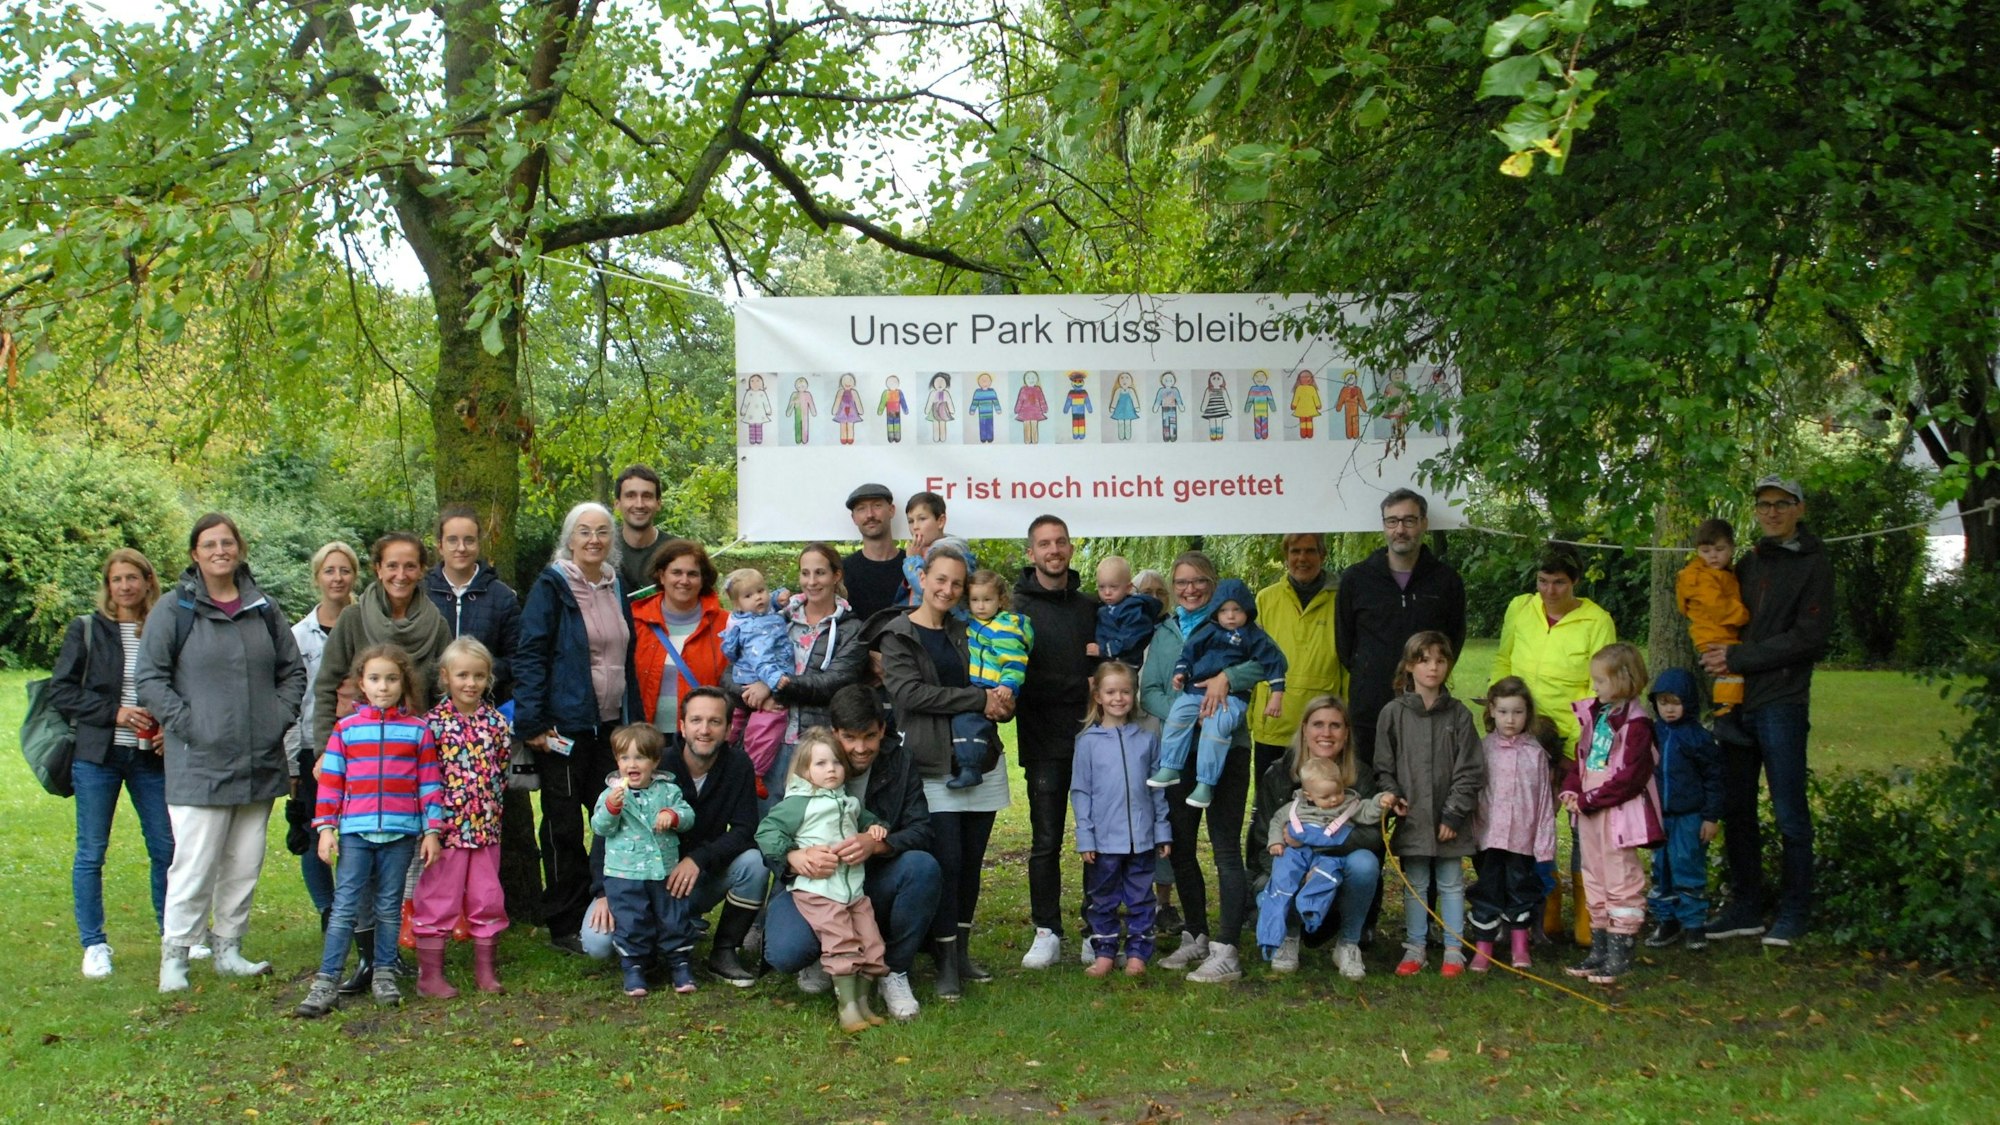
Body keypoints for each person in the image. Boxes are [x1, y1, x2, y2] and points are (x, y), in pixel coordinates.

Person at [136, 513, 306, 992]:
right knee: (195, 861)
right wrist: (189, 725)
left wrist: (278, 717)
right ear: (195, 553)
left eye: (227, 542)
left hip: (259, 758)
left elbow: (293, 672)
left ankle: (229, 947)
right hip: (199, 760)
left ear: (239, 548)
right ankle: (176, 956)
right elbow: (150, 678)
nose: (219, 551)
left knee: (244, 861)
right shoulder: (175, 609)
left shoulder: (263, 608)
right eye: (209, 544)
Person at [310, 531, 455, 994]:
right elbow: (327, 685)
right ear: (377, 569)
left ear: (421, 571)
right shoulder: (354, 619)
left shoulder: (436, 623)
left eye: (410, 566)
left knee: (397, 880)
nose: (400, 574)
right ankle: (364, 961)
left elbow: (440, 691)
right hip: (355, 755)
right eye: (391, 565)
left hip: (411, 756)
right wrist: (321, 752)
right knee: (355, 886)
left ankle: (388, 963)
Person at [1702, 476, 1834, 948]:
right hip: (1735, 700)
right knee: (1737, 808)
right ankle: (1745, 907)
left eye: (1783, 504)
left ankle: (1795, 910)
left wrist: (1737, 658)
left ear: (1799, 508)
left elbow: (1808, 637)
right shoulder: (1750, 562)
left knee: (1789, 812)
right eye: (1764, 504)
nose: (1773, 511)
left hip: (1781, 701)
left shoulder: (1814, 564)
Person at [761, 685, 940, 1021]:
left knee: (923, 866)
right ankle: (824, 956)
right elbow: (768, 834)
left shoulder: (899, 761)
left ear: (882, 730)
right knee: (785, 953)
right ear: (834, 733)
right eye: (850, 738)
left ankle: (894, 972)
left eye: (869, 737)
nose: (860, 749)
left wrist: (878, 844)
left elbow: (921, 829)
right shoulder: (807, 761)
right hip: (814, 886)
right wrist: (793, 859)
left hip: (870, 881)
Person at [872, 547, 1003, 999]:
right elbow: (909, 695)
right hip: (932, 765)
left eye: (957, 583)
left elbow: (995, 674)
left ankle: (962, 952)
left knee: (971, 864)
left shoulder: (971, 630)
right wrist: (976, 700)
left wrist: (1003, 696)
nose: (948, 590)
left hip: (981, 758)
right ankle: (943, 958)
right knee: (946, 862)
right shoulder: (898, 634)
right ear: (922, 578)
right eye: (940, 580)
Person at [514, 501, 644, 954]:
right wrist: (531, 722)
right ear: (569, 539)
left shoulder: (615, 586)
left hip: (609, 728)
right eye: (584, 531)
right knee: (564, 826)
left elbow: (626, 658)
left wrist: (634, 724)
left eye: (603, 532)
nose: (594, 540)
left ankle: (611, 908)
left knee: (616, 817)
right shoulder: (552, 587)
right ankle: (564, 922)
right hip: (563, 728)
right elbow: (529, 653)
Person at [577, 688, 768, 987]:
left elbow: (745, 830)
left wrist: (698, 859)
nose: (704, 730)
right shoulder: (651, 762)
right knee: (597, 944)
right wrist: (602, 892)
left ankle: (724, 951)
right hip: (636, 879)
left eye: (715, 722)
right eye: (696, 720)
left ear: (729, 729)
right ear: (682, 725)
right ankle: (650, 948)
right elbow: (605, 831)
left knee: (755, 863)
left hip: (695, 878)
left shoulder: (738, 765)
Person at [294, 643, 444, 1017]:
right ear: (361, 683)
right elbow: (331, 783)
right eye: (375, 679)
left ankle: (385, 972)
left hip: (401, 832)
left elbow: (429, 784)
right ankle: (326, 980)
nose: (383, 687)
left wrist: (431, 830)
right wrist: (326, 828)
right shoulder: (345, 730)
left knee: (389, 908)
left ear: (403, 683)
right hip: (356, 833)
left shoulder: (418, 731)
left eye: (392, 679)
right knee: (345, 906)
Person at [49, 548, 173, 980]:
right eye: (117, 579)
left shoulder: (162, 627)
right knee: (91, 852)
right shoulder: (87, 629)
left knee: (166, 847)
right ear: (108, 585)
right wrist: (115, 712)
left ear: (147, 581)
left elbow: (178, 688)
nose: (125, 586)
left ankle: (173, 934)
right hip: (97, 755)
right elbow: (61, 691)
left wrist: (168, 730)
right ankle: (94, 944)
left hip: (148, 757)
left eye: (132, 578)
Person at [1141, 551, 1263, 983]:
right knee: (1183, 846)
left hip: (1227, 749)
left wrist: (1227, 681)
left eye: (1199, 582)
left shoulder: (1237, 626)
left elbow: (1262, 666)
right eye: (1182, 583)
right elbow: (1150, 691)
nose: (1190, 589)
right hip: (1178, 756)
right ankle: (1195, 934)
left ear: (1213, 584)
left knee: (1226, 848)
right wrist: (1184, 711)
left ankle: (1227, 948)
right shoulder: (1164, 634)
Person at [1011, 515, 1101, 969]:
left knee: (1098, 837)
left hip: (1095, 740)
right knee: (1046, 839)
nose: (1053, 550)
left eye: (1060, 541)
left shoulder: (1091, 607)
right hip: (1043, 740)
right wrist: (1078, 686)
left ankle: (1095, 927)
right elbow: (1020, 680)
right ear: (1031, 553)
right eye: (1044, 543)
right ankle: (1046, 929)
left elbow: (1108, 672)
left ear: (1070, 547)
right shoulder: (1015, 609)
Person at [758, 729, 891, 1031]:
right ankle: (847, 1009)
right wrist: (793, 854)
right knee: (841, 941)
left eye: (836, 763)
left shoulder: (848, 802)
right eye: (820, 764)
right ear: (805, 771)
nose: (830, 769)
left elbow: (867, 821)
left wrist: (876, 830)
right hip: (819, 891)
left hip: (852, 890)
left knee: (870, 941)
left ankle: (863, 1004)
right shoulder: (799, 803)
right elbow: (767, 832)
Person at [1245, 695, 1383, 979]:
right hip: (1286, 865)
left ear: (1346, 734)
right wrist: (1296, 867)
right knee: (1282, 873)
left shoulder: (1360, 776)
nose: (1326, 733)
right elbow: (1260, 843)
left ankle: (1348, 943)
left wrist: (1319, 857)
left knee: (1365, 862)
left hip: (1336, 867)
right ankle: (1288, 937)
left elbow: (1372, 838)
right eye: (1318, 724)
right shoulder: (1279, 775)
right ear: (1305, 730)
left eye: (1335, 725)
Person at [1374, 631, 1484, 979]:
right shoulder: (1393, 713)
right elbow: (1383, 766)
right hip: (1413, 815)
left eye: (1440, 660)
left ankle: (1454, 950)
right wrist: (1393, 796)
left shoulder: (1460, 715)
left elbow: (1470, 769)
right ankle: (1415, 947)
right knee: (1416, 882)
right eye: (1424, 660)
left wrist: (1454, 812)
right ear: (1409, 666)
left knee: (1451, 880)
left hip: (1450, 817)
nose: (1433, 667)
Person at [1336, 490, 1467, 773]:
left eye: (1409, 521)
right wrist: (1370, 669)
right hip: (1370, 707)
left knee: (1422, 790)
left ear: (1424, 524)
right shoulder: (1357, 579)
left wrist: (1427, 674)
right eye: (1392, 521)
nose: (1400, 530)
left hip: (1427, 707)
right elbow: (1345, 644)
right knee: (1368, 795)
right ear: (1383, 526)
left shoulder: (1446, 581)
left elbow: (1454, 640)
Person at [411, 637, 512, 997]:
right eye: (463, 675)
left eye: (479, 676)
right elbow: (423, 779)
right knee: (438, 898)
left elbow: (501, 770)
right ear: (445, 677)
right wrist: (430, 829)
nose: (471, 683)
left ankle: (485, 970)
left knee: (487, 897)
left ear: (489, 679)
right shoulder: (431, 726)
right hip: (445, 832)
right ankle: (430, 976)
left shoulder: (497, 724)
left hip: (485, 830)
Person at [1560, 643, 1662, 985]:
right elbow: (1581, 757)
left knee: (1620, 876)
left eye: (1600, 681)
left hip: (1616, 812)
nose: (1595, 688)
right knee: (1593, 874)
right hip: (1589, 809)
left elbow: (1631, 777)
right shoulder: (1596, 715)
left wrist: (1590, 799)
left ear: (1623, 680)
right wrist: (1572, 788)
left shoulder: (1637, 725)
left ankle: (1620, 953)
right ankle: (1599, 949)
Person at [1149, 578, 1288, 809]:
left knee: (1217, 726)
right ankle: (1170, 765)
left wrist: (1276, 694)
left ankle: (1205, 783)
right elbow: (1189, 653)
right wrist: (1181, 673)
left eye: (1237, 610)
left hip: (1231, 697)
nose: (1230, 616)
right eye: (1224, 610)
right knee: (1178, 713)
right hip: (1195, 691)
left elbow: (1274, 662)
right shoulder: (1208, 630)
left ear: (1247, 610)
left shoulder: (1254, 635)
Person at [1070, 662, 1169, 977]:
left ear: (1134, 694)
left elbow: (1157, 790)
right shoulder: (1087, 742)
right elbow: (1081, 792)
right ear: (1098, 696)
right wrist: (1085, 837)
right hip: (1103, 841)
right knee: (1103, 899)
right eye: (1111, 692)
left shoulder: (1147, 738)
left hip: (1141, 837)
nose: (1118, 698)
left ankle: (1138, 953)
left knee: (1141, 898)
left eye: (1125, 691)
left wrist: (1162, 832)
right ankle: (1105, 953)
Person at [1250, 533, 1345, 858]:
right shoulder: (1266, 599)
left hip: (1323, 729)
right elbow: (1251, 658)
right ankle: (1261, 884)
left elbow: (1346, 664)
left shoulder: (1341, 599)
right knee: (1268, 812)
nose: (1301, 558)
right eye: (1294, 551)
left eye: (1309, 551)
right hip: (1273, 723)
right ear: (1285, 555)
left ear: (1322, 555)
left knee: (1321, 809)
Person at [748, 544, 867, 799]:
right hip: (770, 742)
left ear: (836, 576)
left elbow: (834, 683)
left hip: (820, 747)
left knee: (818, 830)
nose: (811, 581)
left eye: (820, 573)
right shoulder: (778, 620)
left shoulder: (852, 628)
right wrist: (746, 692)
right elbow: (740, 667)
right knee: (769, 829)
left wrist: (774, 686)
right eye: (805, 573)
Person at [592, 723, 697, 997]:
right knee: (631, 920)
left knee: (672, 918)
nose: (631, 764)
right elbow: (600, 828)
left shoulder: (668, 790)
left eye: (640, 757)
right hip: (623, 874)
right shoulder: (610, 794)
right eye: (624, 758)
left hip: (663, 871)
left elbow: (687, 817)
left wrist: (673, 816)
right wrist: (611, 809)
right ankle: (634, 966)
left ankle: (680, 964)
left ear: (655, 761)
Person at [285, 541, 358, 922]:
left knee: (361, 835)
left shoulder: (367, 625)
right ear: (317, 578)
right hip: (317, 746)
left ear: (355, 576)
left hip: (365, 746)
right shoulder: (299, 635)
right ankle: (328, 910)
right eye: (329, 570)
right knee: (317, 831)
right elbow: (294, 702)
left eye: (344, 570)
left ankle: (358, 909)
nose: (337, 578)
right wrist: (295, 761)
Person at [1255, 756, 1384, 966]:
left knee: (1323, 878)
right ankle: (1283, 937)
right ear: (1309, 795)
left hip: (1329, 857)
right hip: (1297, 856)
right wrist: (1276, 842)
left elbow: (1368, 812)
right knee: (1283, 877)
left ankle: (1316, 918)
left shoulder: (1348, 805)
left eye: (1338, 792)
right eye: (1327, 796)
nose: (1334, 800)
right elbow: (1277, 821)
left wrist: (1380, 802)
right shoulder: (1295, 808)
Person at [1465, 677, 1557, 972]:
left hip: (1522, 839)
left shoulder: (1536, 753)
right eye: (1503, 711)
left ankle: (1520, 946)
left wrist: (1544, 845)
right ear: (1491, 710)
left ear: (1527, 713)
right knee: (1488, 890)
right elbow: (1473, 794)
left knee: (1521, 889)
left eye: (1517, 712)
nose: (1510, 719)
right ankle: (1484, 948)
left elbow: (1544, 800)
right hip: (1488, 837)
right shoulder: (1483, 750)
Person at [1490, 545, 1617, 755]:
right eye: (1543, 581)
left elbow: (1599, 688)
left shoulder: (1598, 622)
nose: (1549, 591)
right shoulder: (1520, 607)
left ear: (1575, 581)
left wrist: (1574, 747)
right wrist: (1497, 708)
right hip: (1517, 731)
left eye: (1559, 582)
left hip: (1565, 738)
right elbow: (1504, 660)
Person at [1644, 667, 1725, 951]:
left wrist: (1710, 817)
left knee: (1688, 868)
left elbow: (1715, 778)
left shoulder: (1698, 738)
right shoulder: (1652, 734)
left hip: (1689, 817)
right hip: (1659, 817)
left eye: (1675, 702)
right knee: (1660, 870)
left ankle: (1694, 924)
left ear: (1688, 702)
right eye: (1663, 702)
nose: (1668, 709)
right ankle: (1666, 921)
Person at [631, 539, 729, 736]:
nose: (684, 580)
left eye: (692, 574)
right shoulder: (636, 621)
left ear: (703, 580)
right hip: (646, 738)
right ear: (661, 576)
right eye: (676, 572)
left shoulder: (726, 625)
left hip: (702, 737)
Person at [426, 505, 521, 702]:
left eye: (469, 540)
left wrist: (477, 672)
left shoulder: (502, 597)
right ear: (440, 545)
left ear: (478, 544)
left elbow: (517, 659)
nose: (461, 548)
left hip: (486, 710)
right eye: (452, 540)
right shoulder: (422, 593)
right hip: (429, 708)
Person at [950, 569, 1032, 790]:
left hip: (994, 687)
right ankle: (967, 766)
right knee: (967, 723)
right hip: (977, 684)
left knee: (969, 723)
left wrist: (1008, 684)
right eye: (975, 600)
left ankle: (971, 768)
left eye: (987, 600)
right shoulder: (973, 624)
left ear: (1001, 600)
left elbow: (1015, 660)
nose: (981, 606)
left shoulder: (1004, 628)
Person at [720, 566, 792, 779]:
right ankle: (755, 772)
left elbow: (767, 604)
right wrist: (774, 680)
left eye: (761, 590)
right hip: (758, 678)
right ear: (737, 603)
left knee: (735, 722)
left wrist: (778, 596)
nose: (759, 598)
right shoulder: (754, 629)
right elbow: (761, 658)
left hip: (743, 679)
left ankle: (722, 753)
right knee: (764, 728)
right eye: (749, 595)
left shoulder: (749, 615)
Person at [1677, 518, 1749, 712]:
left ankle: (1729, 709)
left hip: (1719, 632)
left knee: (1733, 675)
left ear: (1732, 548)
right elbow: (1718, 607)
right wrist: (1744, 616)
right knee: (1730, 675)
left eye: (1719, 549)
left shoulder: (1723, 573)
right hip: (1713, 635)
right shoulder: (1700, 576)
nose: (1713, 556)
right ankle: (1727, 712)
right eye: (1705, 551)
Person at [840, 484, 905, 623]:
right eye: (861, 509)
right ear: (854, 518)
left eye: (877, 505)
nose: (870, 515)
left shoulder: (913, 567)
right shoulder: (843, 570)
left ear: (891, 510)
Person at [898, 491, 974, 608]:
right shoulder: (921, 549)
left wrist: (912, 560)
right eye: (911, 521)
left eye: (922, 519)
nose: (915, 527)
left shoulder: (950, 550)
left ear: (940, 521)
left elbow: (925, 588)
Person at [1092, 555, 1159, 665]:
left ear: (1128, 588)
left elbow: (1129, 639)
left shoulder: (1132, 610)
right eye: (1101, 587)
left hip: (1126, 665)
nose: (1107, 592)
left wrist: (1103, 649)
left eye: (1113, 587)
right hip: (1108, 662)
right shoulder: (1104, 609)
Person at [614, 466, 669, 597]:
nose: (639, 504)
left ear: (658, 503)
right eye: (630, 496)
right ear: (617, 504)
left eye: (647, 496)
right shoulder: (601, 549)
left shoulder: (678, 551)